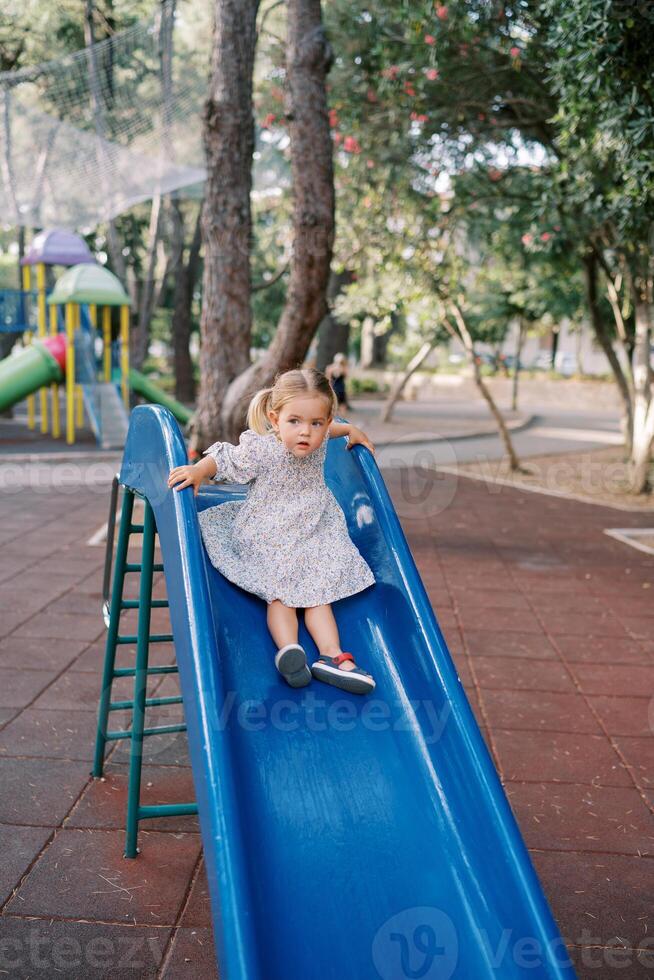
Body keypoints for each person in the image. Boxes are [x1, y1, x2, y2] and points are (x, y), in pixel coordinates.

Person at [167, 368, 377, 695]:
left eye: (315, 423)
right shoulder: (263, 448)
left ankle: (332, 656)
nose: (305, 432)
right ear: (274, 418)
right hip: (268, 532)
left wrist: (354, 430)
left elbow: (336, 428)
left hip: (310, 530)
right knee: (280, 591)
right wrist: (198, 470)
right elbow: (225, 460)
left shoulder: (320, 438)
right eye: (295, 422)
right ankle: (289, 649)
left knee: (318, 592)